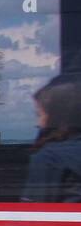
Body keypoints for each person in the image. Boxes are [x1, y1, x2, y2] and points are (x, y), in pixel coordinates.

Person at [22, 74, 81, 202]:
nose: (38, 123)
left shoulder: (49, 157)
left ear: (56, 116)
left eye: (40, 114)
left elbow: (32, 214)